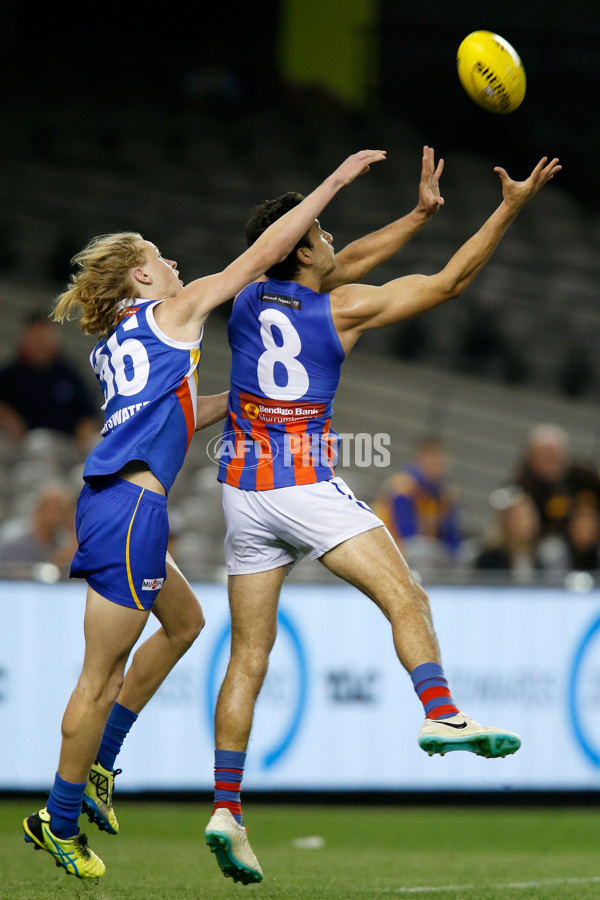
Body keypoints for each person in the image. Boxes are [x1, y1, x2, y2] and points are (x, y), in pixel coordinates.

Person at [22, 148, 388, 882]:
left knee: (187, 624)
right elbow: (260, 257)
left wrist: (243, 402)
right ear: (140, 277)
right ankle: (57, 821)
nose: (176, 265)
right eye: (161, 258)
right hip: (130, 511)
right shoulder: (172, 311)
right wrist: (336, 184)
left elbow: (174, 416)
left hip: (121, 505)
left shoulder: (117, 343)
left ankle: (102, 766)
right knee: (98, 677)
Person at [204, 155, 561, 884]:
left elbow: (343, 259)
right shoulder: (341, 310)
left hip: (241, 491)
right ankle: (443, 711)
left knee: (248, 656)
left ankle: (226, 808)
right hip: (304, 482)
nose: (335, 239)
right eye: (322, 231)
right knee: (408, 597)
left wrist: (419, 215)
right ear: (302, 246)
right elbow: (449, 282)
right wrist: (510, 207)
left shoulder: (241, 298)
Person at [0, 311, 100, 454]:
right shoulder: (11, 374)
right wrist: (7, 417)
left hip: (66, 445)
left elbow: (87, 415)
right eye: (37, 337)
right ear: (25, 339)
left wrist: (86, 429)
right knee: (38, 442)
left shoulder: (69, 375)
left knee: (97, 443)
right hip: (24, 447)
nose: (41, 343)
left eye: (45, 337)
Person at [373, 435, 461, 574]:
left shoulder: (440, 494)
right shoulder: (403, 488)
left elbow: (452, 542)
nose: (440, 463)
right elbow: (407, 538)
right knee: (419, 551)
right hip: (390, 554)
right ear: (421, 458)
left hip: (427, 558)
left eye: (441, 458)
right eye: (434, 457)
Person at [512, 423, 600, 541]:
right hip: (543, 543)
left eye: (555, 453)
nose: (551, 459)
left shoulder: (580, 476)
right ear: (531, 456)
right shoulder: (523, 487)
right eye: (545, 453)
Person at [0, 478, 77, 577]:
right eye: (52, 509)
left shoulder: (63, 543)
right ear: (39, 509)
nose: (55, 516)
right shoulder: (13, 541)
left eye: (62, 511)